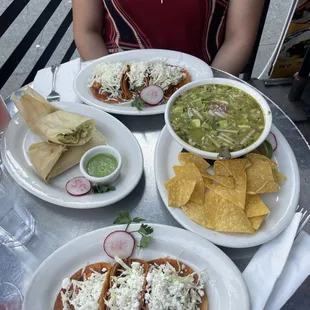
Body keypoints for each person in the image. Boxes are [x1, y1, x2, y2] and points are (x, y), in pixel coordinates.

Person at [72, 0, 264, 75]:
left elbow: (238, 38)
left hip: (206, 74)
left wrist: (204, 92)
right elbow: (87, 31)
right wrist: (111, 85)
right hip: (117, 73)